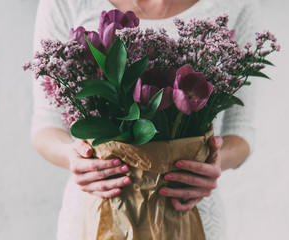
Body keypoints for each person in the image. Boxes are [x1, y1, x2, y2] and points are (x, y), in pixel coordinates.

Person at [31, 0, 260, 239]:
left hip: (188, 213)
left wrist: (209, 165)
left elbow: (242, 132)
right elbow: (46, 125)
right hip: (100, 214)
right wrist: (74, 157)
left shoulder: (237, 4)